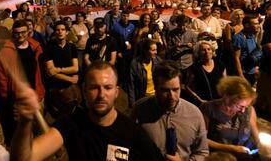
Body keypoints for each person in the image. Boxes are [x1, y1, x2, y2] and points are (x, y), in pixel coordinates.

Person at [10, 61, 164, 161]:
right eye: (94, 88)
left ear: (117, 92)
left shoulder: (133, 133)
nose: (101, 94)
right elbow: (24, 158)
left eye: (107, 87)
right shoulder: (71, 124)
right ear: (84, 91)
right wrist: (25, 123)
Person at [131, 60, 209, 161]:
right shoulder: (139, 109)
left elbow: (202, 152)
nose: (171, 96)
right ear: (155, 88)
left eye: (176, 89)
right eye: (165, 90)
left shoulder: (195, 114)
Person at [200, 76, 271, 160]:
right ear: (227, 98)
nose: (243, 111)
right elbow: (202, 140)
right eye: (240, 106)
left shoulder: (249, 110)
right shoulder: (208, 109)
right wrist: (230, 148)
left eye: (246, 106)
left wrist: (269, 146)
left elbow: (257, 139)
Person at [186, 41, 226, 106]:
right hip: (204, 103)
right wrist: (199, 99)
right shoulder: (194, 68)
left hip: (219, 102)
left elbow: (226, 84)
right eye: (203, 50)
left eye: (209, 49)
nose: (207, 52)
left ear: (212, 51)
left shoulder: (220, 65)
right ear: (198, 53)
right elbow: (187, 86)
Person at [128, 39, 161, 107]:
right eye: (153, 50)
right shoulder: (135, 64)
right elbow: (131, 85)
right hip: (142, 98)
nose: (156, 52)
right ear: (145, 51)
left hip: (156, 97)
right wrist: (132, 104)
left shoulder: (158, 61)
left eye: (156, 50)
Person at [232, 17, 262, 86]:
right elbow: (236, 58)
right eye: (255, 24)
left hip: (253, 72)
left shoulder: (251, 35)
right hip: (244, 73)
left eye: (258, 24)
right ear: (247, 25)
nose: (258, 26)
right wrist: (241, 75)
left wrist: (256, 68)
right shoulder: (238, 38)